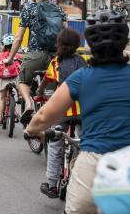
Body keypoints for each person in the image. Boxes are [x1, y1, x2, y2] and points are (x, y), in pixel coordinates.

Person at [25, 10, 130, 214]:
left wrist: (31, 130)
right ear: (125, 42)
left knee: (77, 209)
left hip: (96, 160)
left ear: (90, 44)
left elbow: (44, 117)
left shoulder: (81, 78)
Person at [4, 0, 66, 126]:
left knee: (22, 81)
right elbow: (65, 33)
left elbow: (18, 38)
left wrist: (10, 58)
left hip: (35, 53)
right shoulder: (58, 9)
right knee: (50, 91)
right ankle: (49, 121)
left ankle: (29, 104)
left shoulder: (29, 9)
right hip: (55, 55)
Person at [36, 28, 89, 198]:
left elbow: (46, 81)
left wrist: (40, 91)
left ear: (58, 44)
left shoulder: (55, 62)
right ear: (76, 45)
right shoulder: (84, 60)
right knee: (85, 144)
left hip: (62, 111)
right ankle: (83, 180)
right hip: (84, 111)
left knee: (55, 145)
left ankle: (52, 184)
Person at [0, 34, 23, 126]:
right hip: (14, 77)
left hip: (4, 79)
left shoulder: (1, 55)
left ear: (4, 45)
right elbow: (23, 62)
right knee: (18, 85)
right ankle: (19, 95)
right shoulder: (17, 55)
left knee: (2, 99)